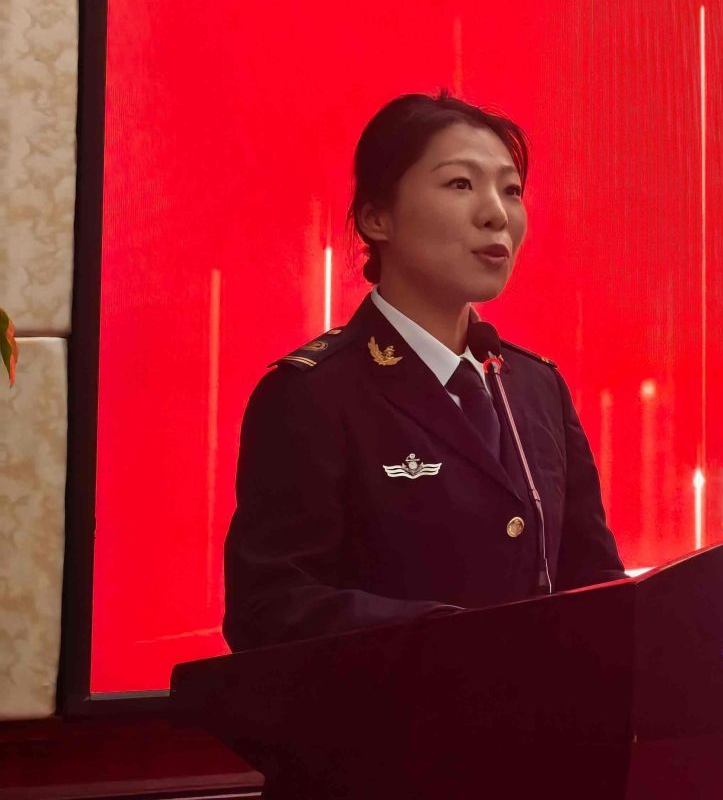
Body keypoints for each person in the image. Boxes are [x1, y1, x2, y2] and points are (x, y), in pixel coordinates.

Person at [223, 91, 625, 656]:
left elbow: (595, 583)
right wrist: (453, 639)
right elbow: (270, 608)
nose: (496, 213)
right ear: (376, 217)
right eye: (460, 183)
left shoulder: (536, 387)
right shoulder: (312, 393)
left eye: (511, 190)